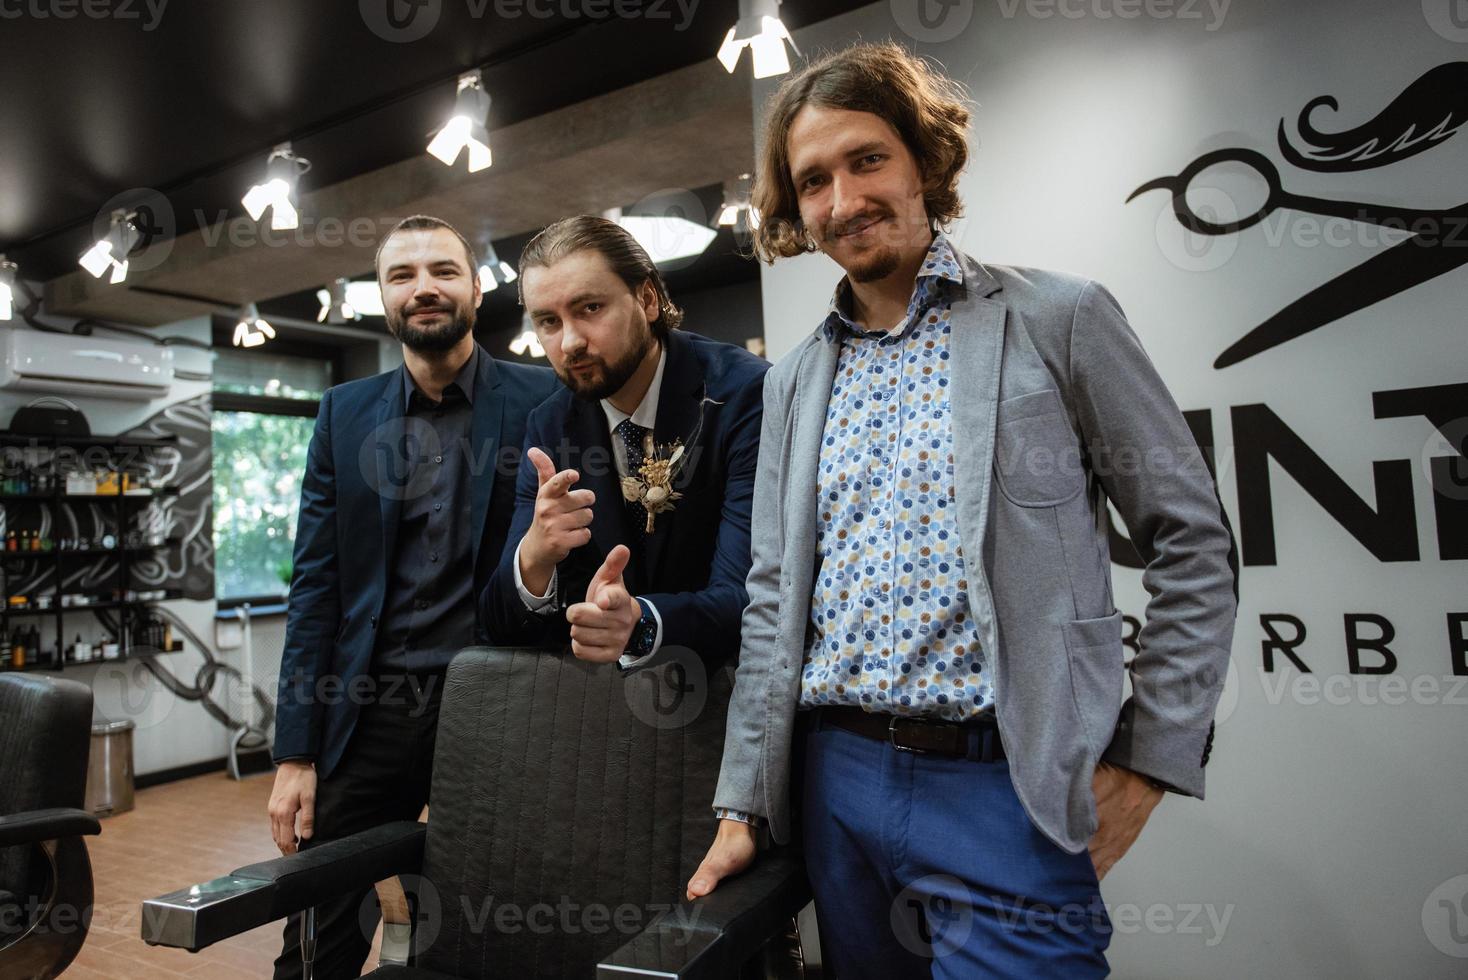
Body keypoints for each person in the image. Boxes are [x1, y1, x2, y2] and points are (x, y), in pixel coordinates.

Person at [686, 43, 1239, 978]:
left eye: (868, 160)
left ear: (924, 164)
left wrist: (1151, 760)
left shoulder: (1060, 319)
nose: (843, 199)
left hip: (1004, 786)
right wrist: (743, 800)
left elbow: (1193, 543)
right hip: (837, 786)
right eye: (812, 179)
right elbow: (775, 598)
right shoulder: (792, 383)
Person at [268, 215, 558, 979]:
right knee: (314, 937)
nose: (424, 287)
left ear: (475, 286)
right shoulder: (343, 415)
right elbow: (316, 586)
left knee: (502, 922)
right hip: (367, 708)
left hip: (497, 703)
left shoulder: (544, 399)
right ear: (382, 297)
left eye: (442, 270)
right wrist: (296, 751)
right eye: (402, 275)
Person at [482, 214, 767, 672]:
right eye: (549, 321)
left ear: (648, 299)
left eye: (590, 308)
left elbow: (754, 596)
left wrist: (644, 621)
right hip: (602, 711)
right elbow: (499, 625)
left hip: (729, 695)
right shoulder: (550, 424)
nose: (570, 341)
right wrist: (535, 554)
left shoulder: (742, 395)